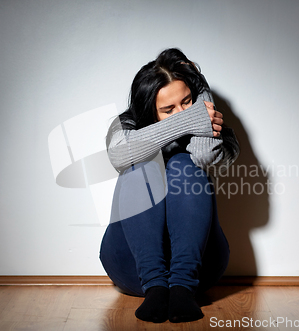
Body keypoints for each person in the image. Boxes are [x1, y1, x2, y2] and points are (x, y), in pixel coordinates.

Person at [99, 48, 240, 323]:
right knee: (143, 162)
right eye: (168, 110)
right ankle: (155, 287)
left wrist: (203, 91)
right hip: (130, 266)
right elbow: (118, 155)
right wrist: (190, 118)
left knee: (184, 163)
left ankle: (182, 287)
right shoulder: (127, 124)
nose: (182, 112)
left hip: (201, 269)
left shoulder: (217, 127)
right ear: (148, 109)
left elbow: (204, 155)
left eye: (188, 102)